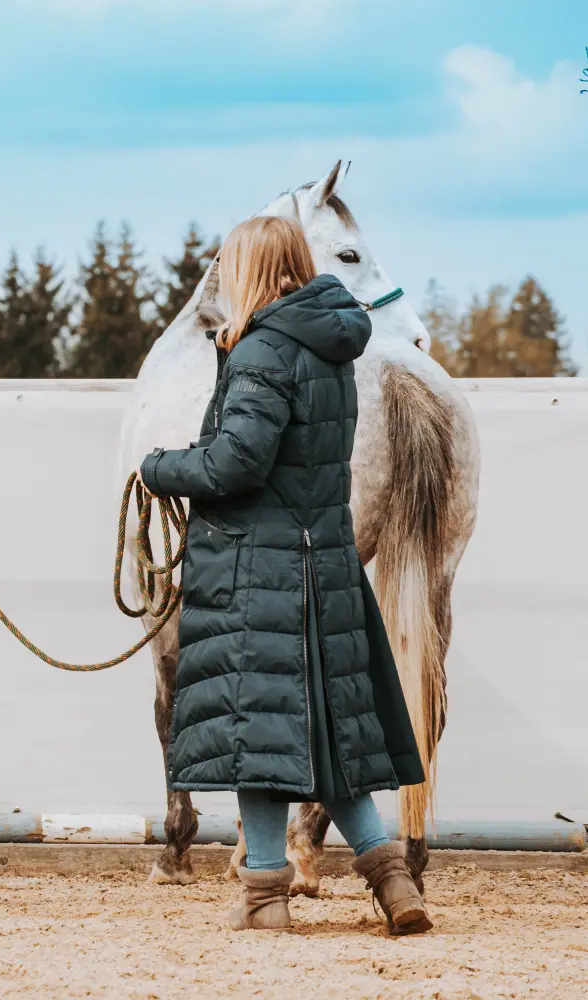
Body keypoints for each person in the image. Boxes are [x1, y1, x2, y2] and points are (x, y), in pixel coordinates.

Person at [138, 215, 431, 936]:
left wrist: (160, 468)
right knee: (334, 742)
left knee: (256, 738)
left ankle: (265, 898)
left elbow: (236, 462)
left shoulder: (265, 349)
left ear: (252, 271)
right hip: (324, 566)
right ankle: (392, 882)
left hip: (258, 570)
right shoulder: (331, 349)